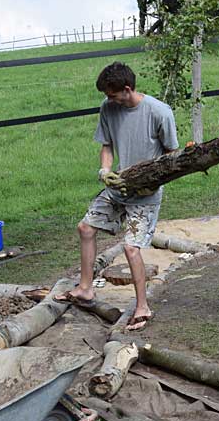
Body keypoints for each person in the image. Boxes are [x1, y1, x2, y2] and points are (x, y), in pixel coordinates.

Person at [54, 62, 178, 331]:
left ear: (127, 89)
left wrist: (151, 183)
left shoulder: (159, 112)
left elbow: (172, 158)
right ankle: (85, 288)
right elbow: (107, 145)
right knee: (86, 228)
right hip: (119, 186)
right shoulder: (108, 108)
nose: (108, 100)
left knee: (131, 248)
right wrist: (105, 171)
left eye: (112, 95)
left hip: (146, 193)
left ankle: (142, 307)